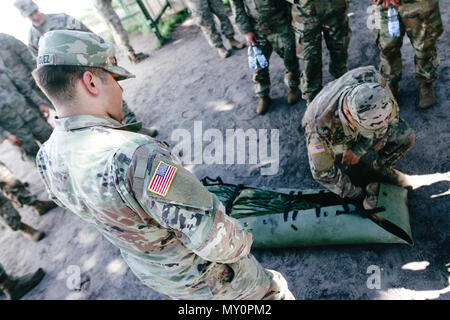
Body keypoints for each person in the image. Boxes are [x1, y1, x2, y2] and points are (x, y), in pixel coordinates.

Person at [32, 30, 294, 300]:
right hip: (219, 283)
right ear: (91, 82)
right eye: (114, 78)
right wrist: (243, 242)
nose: (120, 89)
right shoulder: (135, 154)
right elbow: (215, 239)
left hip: (167, 282)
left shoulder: (47, 158)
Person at [13, 0, 157, 135]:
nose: (35, 16)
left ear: (37, 7)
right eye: (30, 15)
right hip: (70, 82)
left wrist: (103, 58)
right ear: (25, 17)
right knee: (94, 112)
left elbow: (90, 36)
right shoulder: (33, 38)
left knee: (113, 95)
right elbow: (43, 66)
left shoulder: (63, 19)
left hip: (89, 67)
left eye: (35, 11)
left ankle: (137, 129)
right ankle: (120, 137)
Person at [302, 66, 415, 207]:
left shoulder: (374, 84)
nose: (376, 135)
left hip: (356, 127)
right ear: (348, 113)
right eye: (367, 130)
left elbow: (393, 119)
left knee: (406, 137)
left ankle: (381, 168)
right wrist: (357, 194)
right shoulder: (318, 128)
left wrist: (358, 150)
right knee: (335, 169)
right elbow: (323, 173)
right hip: (336, 137)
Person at [230, 0, 300, 115]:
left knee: (290, 58)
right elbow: (237, 6)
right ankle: (263, 95)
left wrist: (293, 18)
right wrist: (247, 31)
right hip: (257, 28)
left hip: (281, 24)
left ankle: (293, 86)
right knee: (259, 65)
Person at [370, 0, 443, 109]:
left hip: (419, 3)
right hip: (385, 4)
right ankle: (390, 84)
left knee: (424, 45)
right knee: (387, 47)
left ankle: (426, 83)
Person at [288, 0, 352, 105]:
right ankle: (313, 103)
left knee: (339, 52)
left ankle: (343, 94)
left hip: (335, 10)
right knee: (310, 60)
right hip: (305, 15)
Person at [0, 66, 53, 163]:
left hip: (32, 116)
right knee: (37, 158)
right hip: (16, 130)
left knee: (53, 143)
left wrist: (39, 103)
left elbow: (24, 88)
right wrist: (6, 135)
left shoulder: (3, 71)